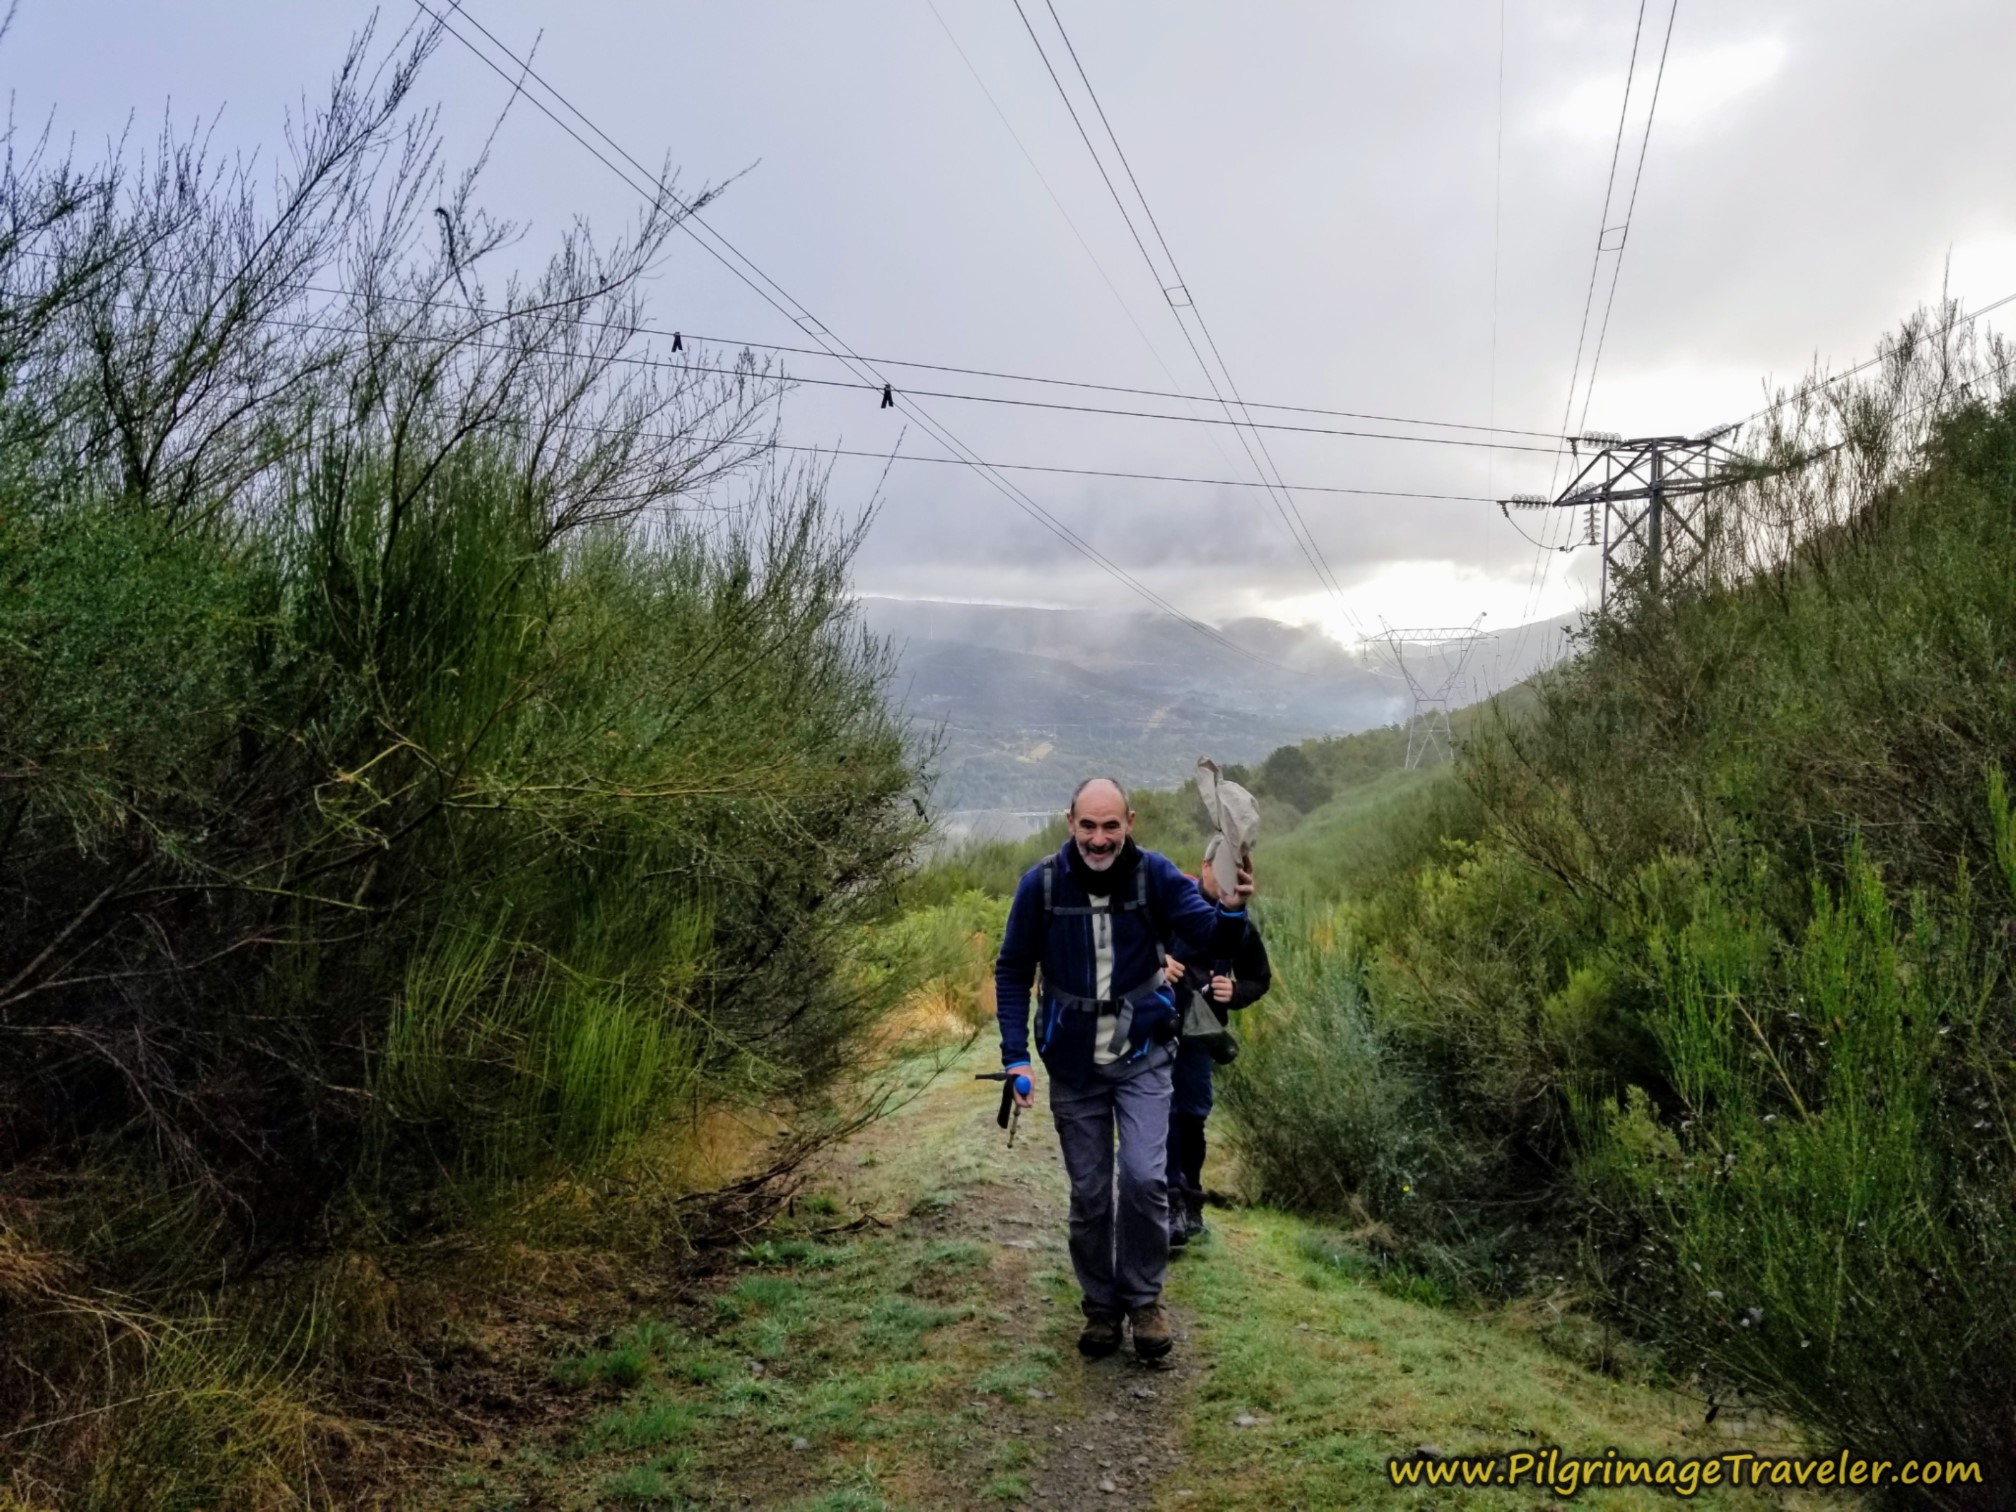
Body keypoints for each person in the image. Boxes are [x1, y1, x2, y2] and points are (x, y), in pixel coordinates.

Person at [994, 777, 1254, 1362]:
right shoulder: (1040, 886)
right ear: (1070, 823)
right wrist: (1014, 1056)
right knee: (1090, 1195)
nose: (1099, 838)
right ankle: (1102, 1309)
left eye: (1111, 825)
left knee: (1142, 1180)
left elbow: (1211, 935)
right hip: (1074, 1066)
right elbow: (1011, 970)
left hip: (1143, 1056)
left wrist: (1233, 910)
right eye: (1088, 825)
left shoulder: (1156, 876)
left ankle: (1145, 1302)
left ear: (1130, 822)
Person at [1162, 845, 1272, 1249]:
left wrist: (1235, 991)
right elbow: (1132, 947)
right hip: (1158, 1027)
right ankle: (1168, 1207)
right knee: (1166, 1115)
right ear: (1204, 866)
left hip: (1201, 1037)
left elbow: (1260, 978)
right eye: (1220, 870)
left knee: (1192, 1118)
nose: (1226, 881)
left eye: (1235, 873)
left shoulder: (1238, 923)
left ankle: (1192, 1205)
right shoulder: (1171, 904)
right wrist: (1159, 962)